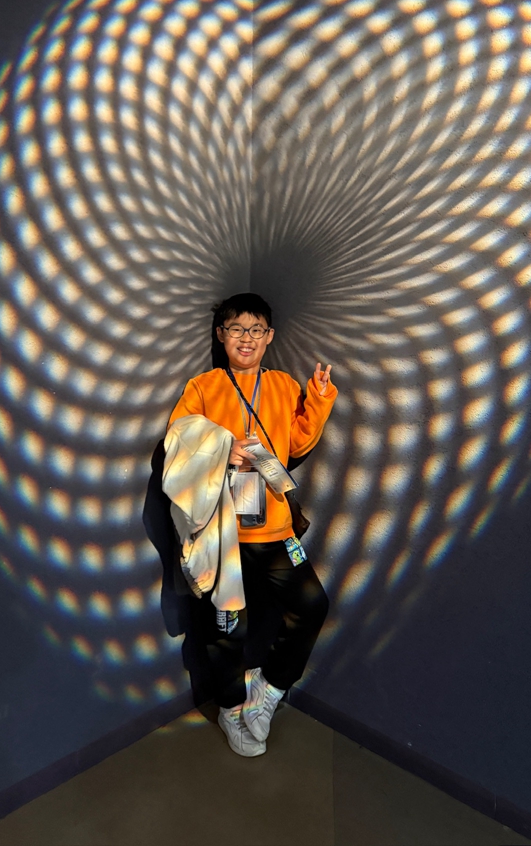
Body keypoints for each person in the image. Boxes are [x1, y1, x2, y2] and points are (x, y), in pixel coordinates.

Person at [166, 292, 337, 757]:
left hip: (275, 528)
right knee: (227, 630)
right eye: (237, 329)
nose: (247, 338)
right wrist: (225, 449)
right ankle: (230, 707)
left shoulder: (281, 384)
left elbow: (296, 443)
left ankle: (270, 685)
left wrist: (319, 398)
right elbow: (177, 443)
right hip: (223, 535)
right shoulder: (203, 387)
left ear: (269, 336)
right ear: (221, 335)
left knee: (311, 605)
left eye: (256, 330)